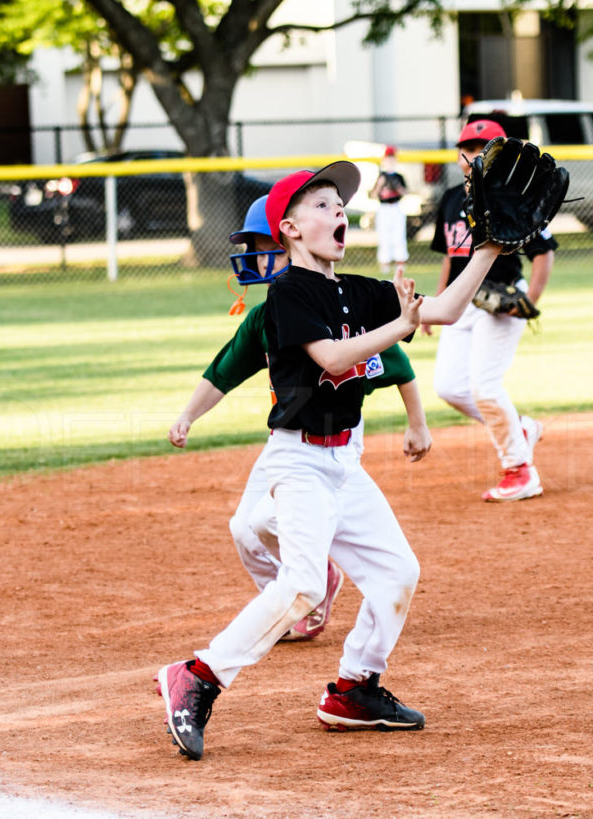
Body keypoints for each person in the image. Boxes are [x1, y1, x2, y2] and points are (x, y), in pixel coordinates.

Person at [156, 160, 503, 761]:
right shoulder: (290, 293)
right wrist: (399, 323)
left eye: (341, 205)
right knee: (301, 584)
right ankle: (197, 676)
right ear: (289, 228)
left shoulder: (357, 289)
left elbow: (442, 310)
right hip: (298, 463)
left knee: (397, 573)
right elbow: (335, 358)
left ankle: (352, 689)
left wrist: (490, 249)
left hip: (346, 465)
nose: (338, 212)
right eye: (322, 205)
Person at [168, 195, 432, 643]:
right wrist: (188, 416)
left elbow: (399, 365)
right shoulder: (266, 316)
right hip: (289, 437)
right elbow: (224, 371)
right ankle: (301, 596)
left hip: (338, 437)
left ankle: (307, 582)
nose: (250, 255)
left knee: (269, 522)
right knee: (244, 527)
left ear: (286, 239)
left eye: (258, 244)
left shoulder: (341, 306)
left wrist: (417, 423)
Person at [424, 119, 558, 502]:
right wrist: (436, 304)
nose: (472, 154)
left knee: (484, 387)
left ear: (499, 152)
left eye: (482, 146)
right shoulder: (451, 199)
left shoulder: (511, 198)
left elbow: (544, 252)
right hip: (459, 303)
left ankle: (520, 470)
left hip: (499, 303)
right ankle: (521, 429)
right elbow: (451, 257)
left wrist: (530, 299)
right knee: (449, 387)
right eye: (466, 147)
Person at [368, 145, 408, 275]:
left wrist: (397, 187)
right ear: (384, 160)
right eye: (388, 158)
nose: (390, 161)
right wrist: (380, 184)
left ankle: (400, 263)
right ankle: (384, 264)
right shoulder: (381, 176)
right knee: (384, 236)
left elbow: (405, 193)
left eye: (392, 158)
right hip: (384, 208)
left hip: (396, 207)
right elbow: (372, 195)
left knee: (399, 235)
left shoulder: (398, 176)